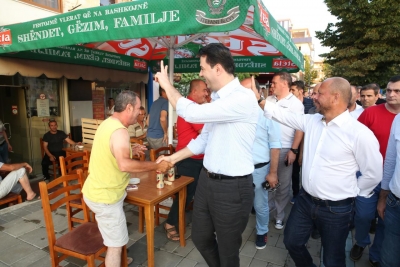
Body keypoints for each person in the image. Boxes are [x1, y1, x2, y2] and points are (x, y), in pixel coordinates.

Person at [254, 77, 382, 267]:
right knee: (291, 242)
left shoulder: (359, 134)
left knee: (333, 257)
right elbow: (281, 115)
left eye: (319, 93)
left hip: (337, 209)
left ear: (335, 97)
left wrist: (353, 192)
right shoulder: (312, 120)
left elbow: (373, 173)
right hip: (305, 201)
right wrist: (258, 100)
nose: (313, 97)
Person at [154, 43, 259, 267]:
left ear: (218, 69)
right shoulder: (219, 100)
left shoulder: (243, 98)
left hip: (232, 188)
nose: (201, 73)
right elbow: (203, 140)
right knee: (201, 238)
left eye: (202, 68)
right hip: (206, 181)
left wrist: (167, 85)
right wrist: (172, 158)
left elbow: (191, 112)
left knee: (229, 251)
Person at [82, 91, 172, 267]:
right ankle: (116, 258)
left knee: (117, 235)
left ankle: (121, 258)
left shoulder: (108, 123)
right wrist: (156, 165)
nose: (140, 112)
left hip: (95, 191)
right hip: (106, 197)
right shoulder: (120, 131)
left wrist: (131, 149)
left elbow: (112, 149)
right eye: (138, 108)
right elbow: (124, 164)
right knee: (115, 246)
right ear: (129, 107)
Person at [351, 75, 400, 266]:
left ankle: (376, 253)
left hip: (394, 181)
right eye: (388, 90)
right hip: (368, 175)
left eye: (396, 91)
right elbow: (353, 140)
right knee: (363, 215)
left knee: (386, 220)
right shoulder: (371, 113)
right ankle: (361, 242)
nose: (391, 94)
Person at [164, 79, 208, 241]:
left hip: (195, 158)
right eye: (204, 90)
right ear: (194, 91)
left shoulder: (194, 108)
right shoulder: (192, 109)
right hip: (188, 159)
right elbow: (205, 132)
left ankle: (186, 217)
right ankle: (170, 223)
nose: (206, 93)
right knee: (186, 194)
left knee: (193, 193)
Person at [241, 77, 281, 250]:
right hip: (239, 169)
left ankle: (262, 231)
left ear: (257, 92)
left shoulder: (268, 115)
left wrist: (272, 173)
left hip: (259, 169)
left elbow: (275, 146)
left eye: (245, 90)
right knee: (239, 202)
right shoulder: (237, 114)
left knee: (260, 204)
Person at [266, 72, 304, 228]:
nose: (271, 86)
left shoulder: (296, 104)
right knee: (267, 182)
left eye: (274, 82)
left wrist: (293, 150)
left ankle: (279, 215)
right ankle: (266, 210)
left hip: (284, 148)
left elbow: (299, 129)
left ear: (284, 83)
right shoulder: (269, 100)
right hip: (266, 148)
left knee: (282, 184)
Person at [378, 114, 400, 267]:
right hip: (395, 202)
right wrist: (383, 196)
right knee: (388, 259)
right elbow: (391, 159)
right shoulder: (399, 119)